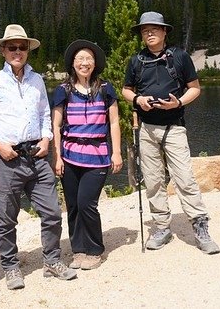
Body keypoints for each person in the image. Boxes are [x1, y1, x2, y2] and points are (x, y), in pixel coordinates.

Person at [0, 24, 77, 290]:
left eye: (22, 47)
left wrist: (46, 139)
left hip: (37, 155)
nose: (18, 51)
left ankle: (52, 261)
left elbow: (45, 115)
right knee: (8, 218)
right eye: (12, 47)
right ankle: (10, 267)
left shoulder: (37, 80)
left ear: (28, 50)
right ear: (3, 51)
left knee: (53, 213)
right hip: (7, 158)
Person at [121, 12, 220, 255]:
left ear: (165, 32)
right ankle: (161, 226)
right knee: (154, 181)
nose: (149, 33)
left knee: (184, 178)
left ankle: (200, 226)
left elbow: (194, 89)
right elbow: (125, 90)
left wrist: (178, 103)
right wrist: (138, 99)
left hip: (174, 127)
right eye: (145, 30)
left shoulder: (179, 57)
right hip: (146, 129)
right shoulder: (136, 61)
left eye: (154, 29)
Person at [52, 40, 123, 270]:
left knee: (86, 204)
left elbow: (114, 122)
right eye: (80, 59)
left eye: (88, 59)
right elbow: (56, 126)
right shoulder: (63, 90)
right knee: (72, 205)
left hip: (98, 155)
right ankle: (78, 249)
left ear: (95, 63)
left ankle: (94, 250)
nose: (84, 63)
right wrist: (57, 157)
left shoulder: (105, 89)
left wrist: (117, 152)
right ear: (73, 64)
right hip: (70, 155)